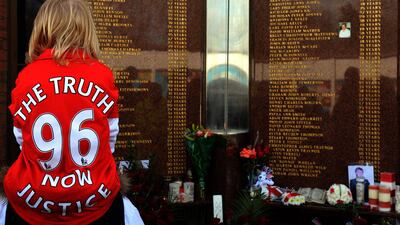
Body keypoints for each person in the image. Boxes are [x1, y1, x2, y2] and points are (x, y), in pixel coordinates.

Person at [2, 0, 144, 224]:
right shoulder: (103, 75)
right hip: (97, 202)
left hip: (30, 202)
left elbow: (23, 142)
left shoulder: (26, 77)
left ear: (42, 28)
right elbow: (109, 141)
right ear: (87, 30)